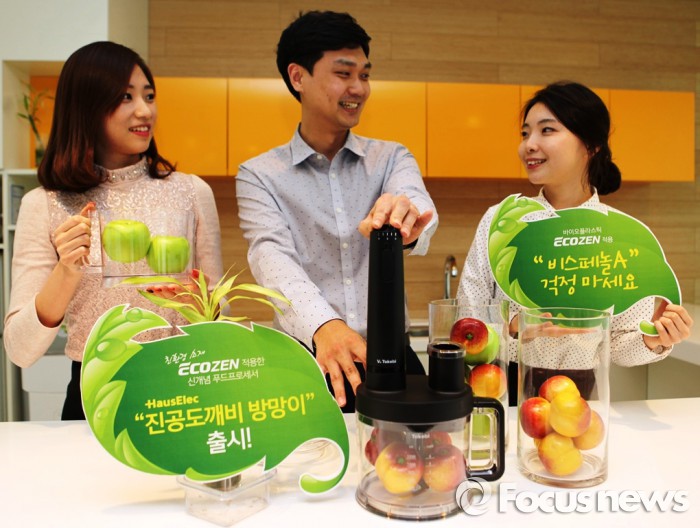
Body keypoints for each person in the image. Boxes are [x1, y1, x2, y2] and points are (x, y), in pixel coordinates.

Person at [3, 41, 223, 420]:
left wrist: (198, 307)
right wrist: (66, 271)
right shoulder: (45, 203)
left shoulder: (191, 192)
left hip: (184, 387)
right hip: (95, 396)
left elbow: (221, 316)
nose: (145, 110)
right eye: (125, 96)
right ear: (85, 106)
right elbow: (20, 349)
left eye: (149, 96)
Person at [236, 11, 438, 411]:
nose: (358, 88)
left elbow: (413, 197)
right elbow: (271, 257)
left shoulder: (390, 157)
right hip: (307, 357)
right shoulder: (259, 175)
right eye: (344, 73)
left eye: (365, 75)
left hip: (391, 358)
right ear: (298, 77)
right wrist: (324, 325)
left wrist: (407, 218)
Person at [456, 81, 693, 404]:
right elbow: (464, 322)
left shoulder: (618, 234)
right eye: (525, 133)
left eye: (547, 130)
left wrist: (656, 338)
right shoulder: (503, 222)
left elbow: (620, 344)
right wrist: (514, 327)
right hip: (497, 389)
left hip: (580, 398)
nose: (529, 145)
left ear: (591, 145)